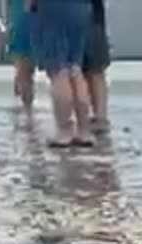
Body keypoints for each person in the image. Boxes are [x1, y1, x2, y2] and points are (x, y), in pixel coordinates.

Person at [28, 0, 95, 148]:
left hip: (52, 7)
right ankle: (84, 130)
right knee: (75, 68)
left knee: (59, 70)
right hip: (81, 7)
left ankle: (64, 131)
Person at [82, 0, 110, 131]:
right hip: (93, 18)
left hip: (91, 18)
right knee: (94, 71)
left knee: (91, 71)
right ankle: (99, 116)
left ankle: (98, 116)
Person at [8, 0, 35, 108]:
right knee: (26, 67)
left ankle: (28, 109)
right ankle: (28, 108)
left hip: (22, 19)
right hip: (31, 19)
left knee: (24, 65)